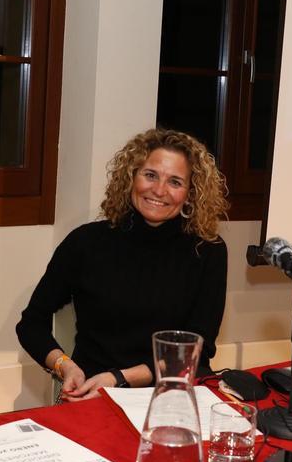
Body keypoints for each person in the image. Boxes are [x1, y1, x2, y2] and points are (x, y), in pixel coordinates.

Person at [16, 128, 229, 401]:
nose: (159, 190)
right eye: (150, 175)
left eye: (175, 182)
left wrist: (118, 378)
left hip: (170, 396)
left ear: (190, 193)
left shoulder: (208, 251)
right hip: (90, 395)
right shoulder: (85, 243)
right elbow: (31, 324)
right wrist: (65, 367)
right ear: (131, 177)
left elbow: (196, 351)